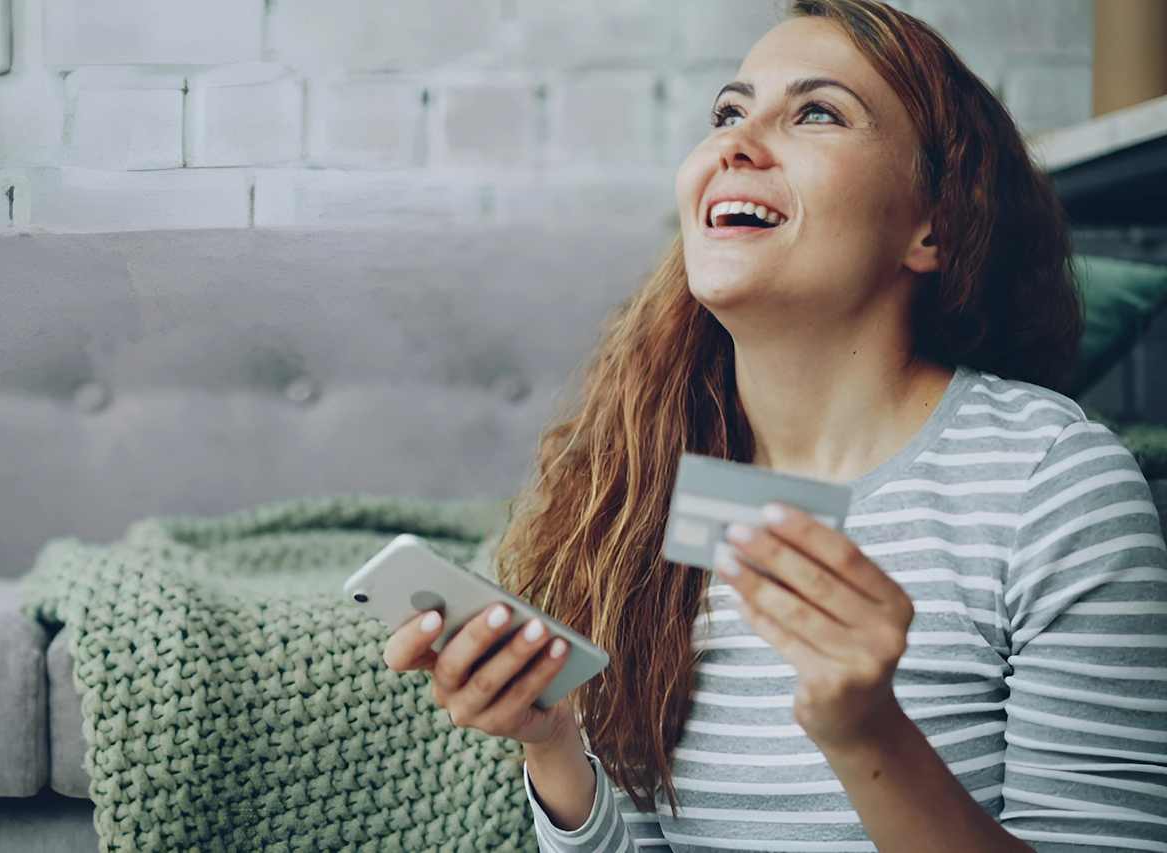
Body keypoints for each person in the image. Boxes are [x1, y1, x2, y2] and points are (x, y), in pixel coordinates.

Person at [384, 0, 1167, 850]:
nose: (736, 142)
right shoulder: (654, 485)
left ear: (932, 223)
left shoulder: (1052, 484)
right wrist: (554, 748)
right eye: (728, 111)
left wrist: (868, 731)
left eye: (817, 112)